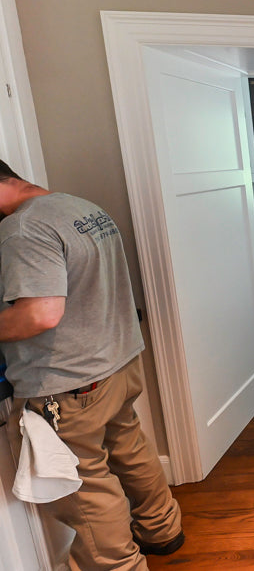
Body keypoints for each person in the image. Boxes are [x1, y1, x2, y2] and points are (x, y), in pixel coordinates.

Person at [0, 160, 183, 570]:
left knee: (83, 486)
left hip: (69, 381)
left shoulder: (22, 228)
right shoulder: (78, 206)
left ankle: (118, 565)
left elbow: (40, 314)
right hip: (118, 361)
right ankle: (162, 528)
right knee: (129, 447)